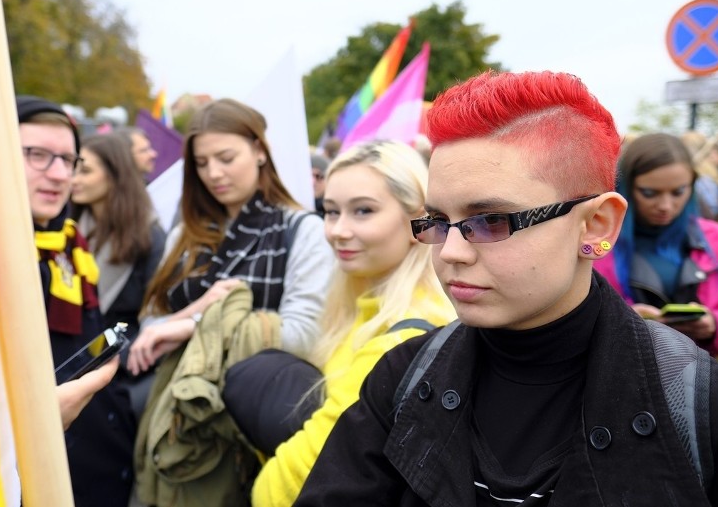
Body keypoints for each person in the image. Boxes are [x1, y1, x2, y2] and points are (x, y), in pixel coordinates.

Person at [292, 71, 718, 506]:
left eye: (490, 221)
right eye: (438, 222)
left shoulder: (697, 405)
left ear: (596, 225)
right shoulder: (402, 377)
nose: (450, 252)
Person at [224, 140, 456, 507]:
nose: (338, 231)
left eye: (363, 211)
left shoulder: (402, 336)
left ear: (418, 222)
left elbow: (291, 484)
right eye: (331, 212)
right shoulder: (358, 307)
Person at [128, 98, 334, 506]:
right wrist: (196, 309)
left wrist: (191, 324)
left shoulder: (301, 230)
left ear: (260, 150)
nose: (214, 174)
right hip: (172, 416)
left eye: (225, 158)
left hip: (250, 423)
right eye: (202, 164)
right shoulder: (186, 233)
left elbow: (303, 335)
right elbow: (150, 331)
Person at [16, 95, 135, 507]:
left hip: (102, 462)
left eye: (70, 160)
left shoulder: (69, 241)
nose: (58, 173)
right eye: (37, 155)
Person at [594, 132, 718, 356]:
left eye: (678, 192)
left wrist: (713, 325)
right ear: (626, 187)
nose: (665, 206)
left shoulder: (714, 238)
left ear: (692, 186)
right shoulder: (597, 241)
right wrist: (620, 320)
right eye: (649, 193)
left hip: (698, 376)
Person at [71, 133, 167, 418]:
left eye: (85, 170)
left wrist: (108, 360)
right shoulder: (67, 227)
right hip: (68, 362)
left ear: (115, 175)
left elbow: (154, 316)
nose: (73, 178)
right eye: (74, 168)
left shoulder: (150, 238)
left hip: (119, 373)